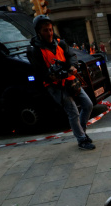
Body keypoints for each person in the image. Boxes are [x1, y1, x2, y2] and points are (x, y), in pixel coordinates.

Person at [29, 15, 95, 150]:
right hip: (55, 86)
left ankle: (81, 132)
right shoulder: (35, 50)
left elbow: (71, 56)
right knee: (73, 112)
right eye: (45, 30)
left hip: (70, 80)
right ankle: (82, 140)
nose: (49, 33)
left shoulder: (60, 42)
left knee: (88, 105)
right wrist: (50, 76)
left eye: (50, 29)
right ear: (38, 32)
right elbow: (39, 72)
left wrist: (72, 66)